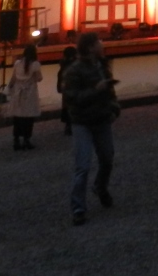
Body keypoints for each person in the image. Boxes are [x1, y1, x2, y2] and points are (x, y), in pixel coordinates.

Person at [62, 32, 120, 226]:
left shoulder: (102, 66)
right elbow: (70, 97)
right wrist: (95, 90)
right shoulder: (74, 71)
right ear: (89, 47)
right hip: (82, 122)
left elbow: (111, 93)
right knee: (83, 166)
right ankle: (78, 208)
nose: (102, 44)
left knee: (107, 159)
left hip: (102, 119)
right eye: (98, 42)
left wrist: (114, 108)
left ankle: (100, 187)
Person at [8, 43, 43, 150]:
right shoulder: (35, 64)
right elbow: (39, 78)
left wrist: (9, 87)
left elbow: (13, 78)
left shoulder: (18, 63)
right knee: (28, 118)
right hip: (30, 93)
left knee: (18, 118)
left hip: (18, 92)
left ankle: (16, 140)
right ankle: (26, 140)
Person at [56, 45, 77, 136]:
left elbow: (60, 76)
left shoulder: (63, 65)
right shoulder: (76, 64)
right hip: (74, 88)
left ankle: (68, 125)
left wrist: (59, 87)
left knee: (67, 107)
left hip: (66, 89)